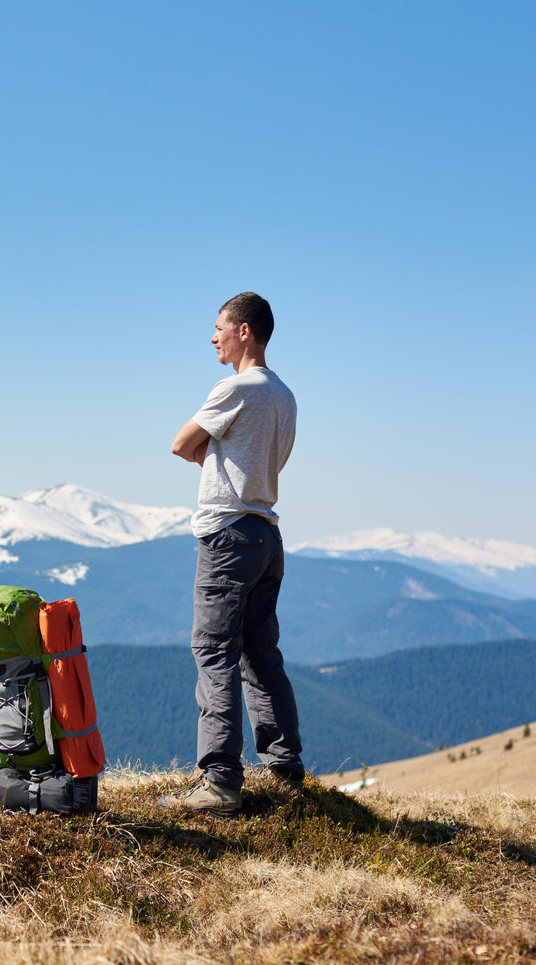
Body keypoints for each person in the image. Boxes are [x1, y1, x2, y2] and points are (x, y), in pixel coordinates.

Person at [157, 291, 305, 815]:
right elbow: (263, 462)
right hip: (267, 535)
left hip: (227, 535)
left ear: (245, 331)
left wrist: (213, 461)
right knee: (262, 654)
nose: (213, 336)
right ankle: (286, 770)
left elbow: (180, 444)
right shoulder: (284, 395)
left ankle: (220, 781)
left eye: (220, 326)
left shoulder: (235, 388)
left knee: (214, 650)